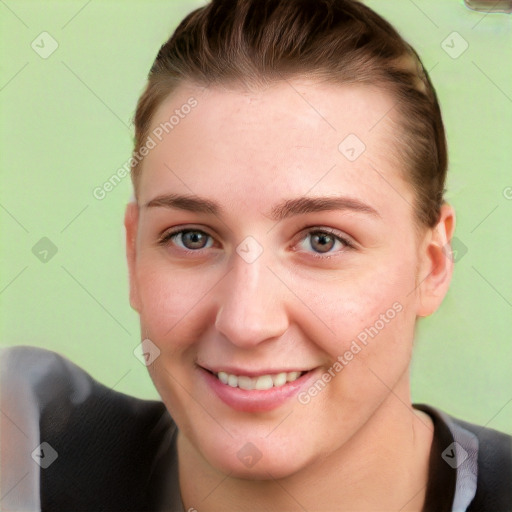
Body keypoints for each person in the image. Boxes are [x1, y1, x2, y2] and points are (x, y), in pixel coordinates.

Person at [1, 0, 511, 510]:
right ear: (134, 256)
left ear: (433, 263)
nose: (246, 323)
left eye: (322, 240)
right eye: (192, 238)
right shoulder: (30, 452)